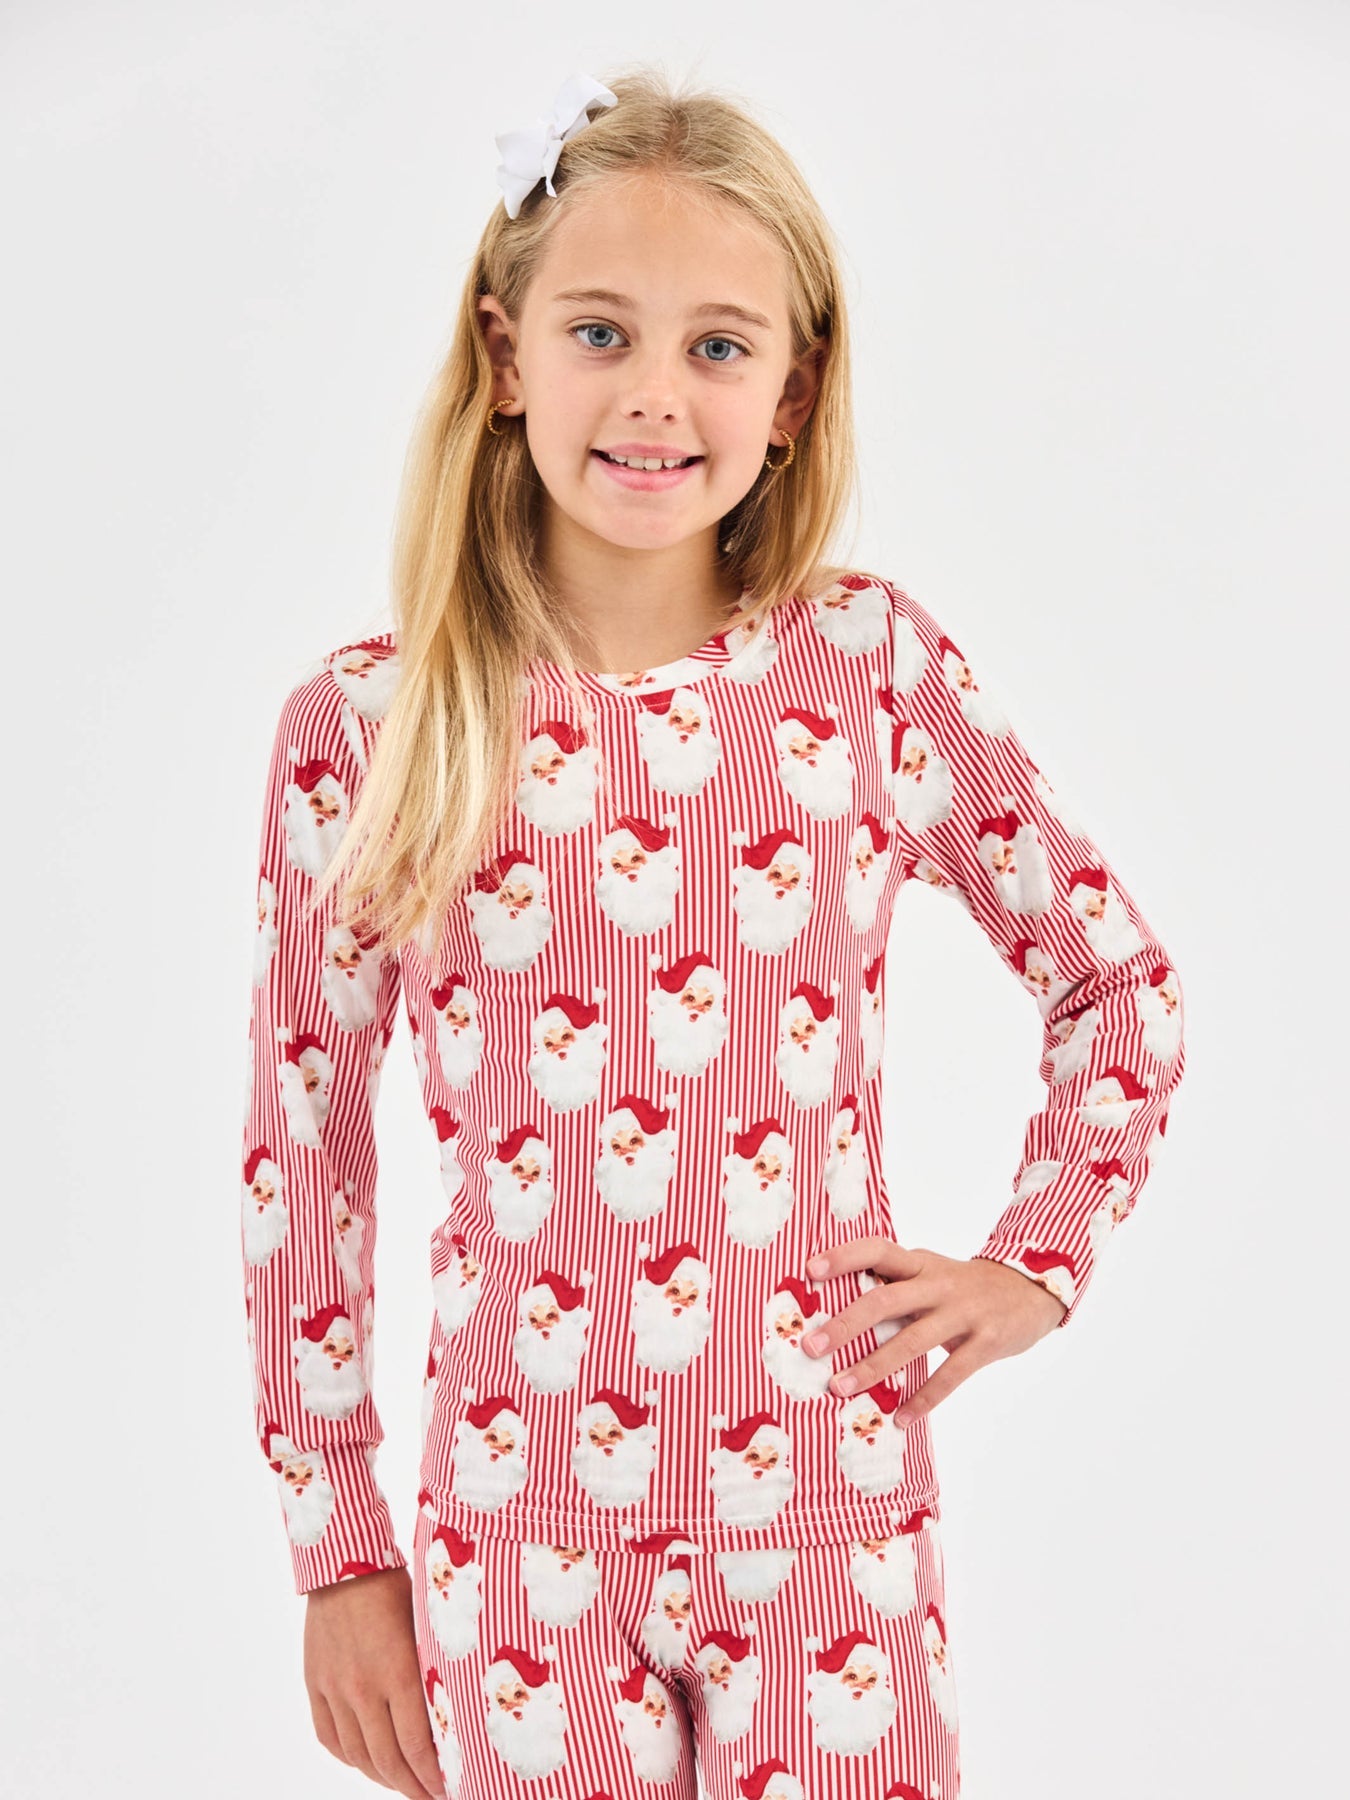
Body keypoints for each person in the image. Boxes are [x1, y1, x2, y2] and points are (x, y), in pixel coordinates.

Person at [239, 64, 1186, 1800]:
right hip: (515, 1543)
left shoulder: (865, 669)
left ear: (793, 390)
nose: (654, 395)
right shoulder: (366, 728)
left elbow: (1113, 979)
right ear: (506, 353)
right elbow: (303, 1150)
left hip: (828, 1518)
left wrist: (1034, 1260)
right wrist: (337, 1548)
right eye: (600, 333)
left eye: (718, 346)